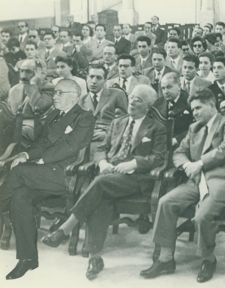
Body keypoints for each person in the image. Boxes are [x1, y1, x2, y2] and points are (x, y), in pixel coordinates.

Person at [42, 84, 166, 280]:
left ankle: (65, 228)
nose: (132, 101)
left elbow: (158, 158)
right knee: (100, 199)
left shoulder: (157, 127)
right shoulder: (118, 122)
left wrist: (133, 163)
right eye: (131, 96)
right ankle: (95, 257)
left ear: (149, 106)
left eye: (138, 100)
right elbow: (102, 147)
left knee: (99, 185)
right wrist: (102, 162)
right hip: (109, 176)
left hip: (135, 179)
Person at [140, 88, 225, 283]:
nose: (195, 112)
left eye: (198, 108)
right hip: (196, 180)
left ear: (212, 105)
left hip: (222, 179)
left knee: (202, 216)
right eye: (193, 109)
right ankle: (165, 259)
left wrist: (200, 163)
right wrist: (186, 164)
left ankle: (208, 259)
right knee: (165, 202)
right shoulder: (194, 128)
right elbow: (179, 152)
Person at [1, 79, 95, 280]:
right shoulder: (54, 116)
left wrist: (40, 160)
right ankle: (27, 260)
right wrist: (25, 156)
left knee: (18, 173)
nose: (55, 96)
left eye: (60, 93)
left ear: (74, 96)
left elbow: (71, 146)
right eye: (55, 92)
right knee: (20, 197)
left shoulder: (84, 117)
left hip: (65, 176)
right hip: (43, 175)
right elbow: (42, 143)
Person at [79, 65, 127, 145]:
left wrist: (108, 134)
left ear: (105, 80)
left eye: (99, 78)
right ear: (86, 78)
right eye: (91, 77)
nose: (94, 81)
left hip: (109, 139)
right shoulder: (81, 100)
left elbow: (123, 122)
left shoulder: (117, 94)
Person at [153, 72, 193, 145]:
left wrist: (177, 139)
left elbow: (196, 127)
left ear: (179, 86)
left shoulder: (190, 102)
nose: (166, 92)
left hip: (183, 144)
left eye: (169, 87)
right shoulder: (158, 104)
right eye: (163, 88)